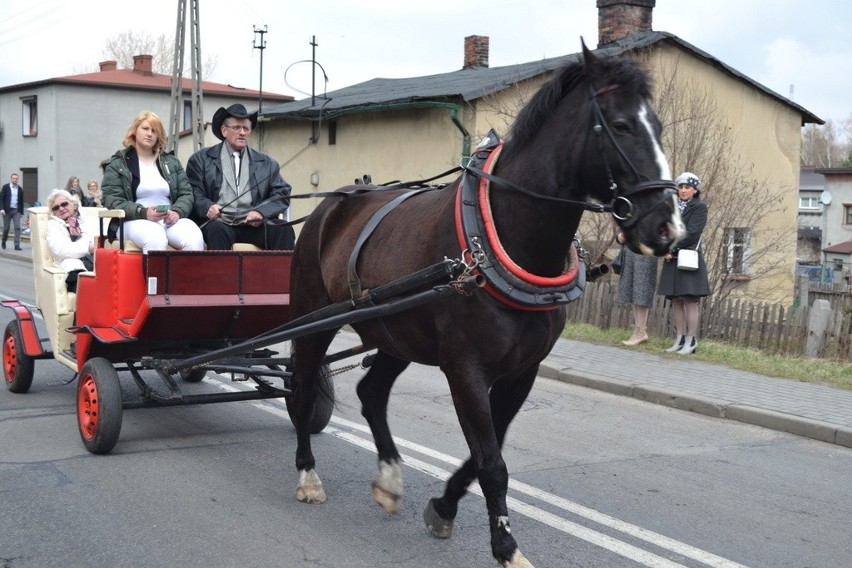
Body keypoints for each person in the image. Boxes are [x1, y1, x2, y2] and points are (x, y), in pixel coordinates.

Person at [186, 103, 295, 250]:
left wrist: (261, 212)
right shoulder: (200, 159)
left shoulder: (267, 163)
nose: (242, 132)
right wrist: (208, 206)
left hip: (253, 225)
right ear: (224, 131)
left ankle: (280, 274)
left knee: (284, 229)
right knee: (216, 230)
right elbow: (194, 192)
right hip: (219, 223)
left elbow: (282, 193)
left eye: (246, 128)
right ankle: (222, 274)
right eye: (237, 128)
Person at [101, 111, 205, 253]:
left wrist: (177, 211)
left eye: (154, 131)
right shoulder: (118, 164)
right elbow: (112, 199)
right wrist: (144, 212)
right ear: (134, 131)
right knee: (155, 238)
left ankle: (186, 276)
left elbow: (186, 194)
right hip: (132, 221)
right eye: (145, 129)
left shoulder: (172, 163)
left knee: (193, 237)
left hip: (168, 219)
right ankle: (154, 276)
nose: (149, 134)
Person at [657, 172, 711, 355]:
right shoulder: (673, 208)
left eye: (687, 187)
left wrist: (670, 248)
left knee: (690, 301)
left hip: (687, 257)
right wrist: (663, 247)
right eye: (680, 187)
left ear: (695, 190)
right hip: (672, 259)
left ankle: (691, 339)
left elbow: (692, 233)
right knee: (676, 301)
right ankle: (679, 338)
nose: (683, 190)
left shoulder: (699, 207)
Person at [45, 189, 98, 293]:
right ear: (54, 213)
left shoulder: (89, 220)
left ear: (73, 204)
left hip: (96, 262)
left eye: (64, 204)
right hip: (72, 267)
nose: (61, 208)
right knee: (72, 264)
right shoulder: (53, 226)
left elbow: (100, 240)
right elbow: (61, 251)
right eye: (56, 207)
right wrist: (88, 247)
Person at [616, 230, 658, 346]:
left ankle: (642, 331)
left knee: (642, 292)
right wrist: (619, 235)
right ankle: (637, 330)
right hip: (630, 251)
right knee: (632, 291)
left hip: (645, 251)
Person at [1, 173, 25, 250]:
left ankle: (17, 245)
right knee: (6, 228)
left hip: (16, 210)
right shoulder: (6, 187)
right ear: (11, 179)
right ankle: (3, 241)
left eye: (16, 178)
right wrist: (2, 209)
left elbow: (21, 201)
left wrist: (21, 212)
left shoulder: (20, 189)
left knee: (17, 227)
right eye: (14, 178)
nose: (15, 180)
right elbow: (1, 199)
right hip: (7, 210)